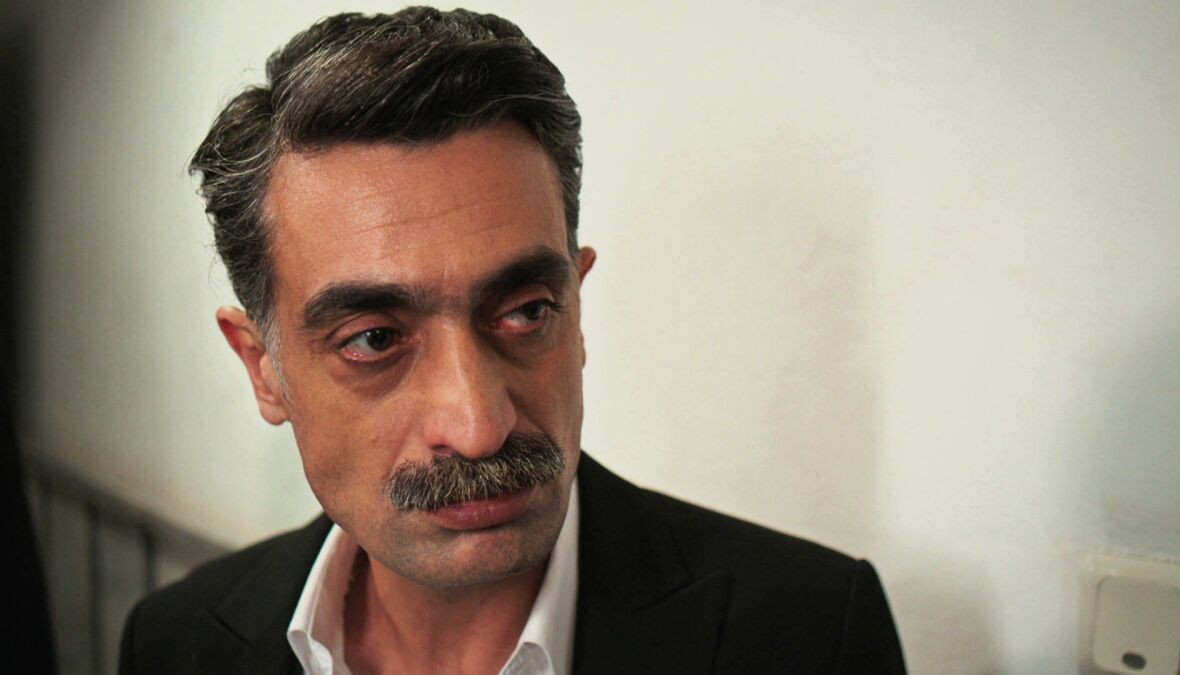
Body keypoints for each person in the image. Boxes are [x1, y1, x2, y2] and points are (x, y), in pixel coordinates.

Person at [118, 7, 905, 674]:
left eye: (526, 312)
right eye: (375, 338)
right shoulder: (175, 643)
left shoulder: (811, 634)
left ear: (576, 307)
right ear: (264, 368)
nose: (478, 425)